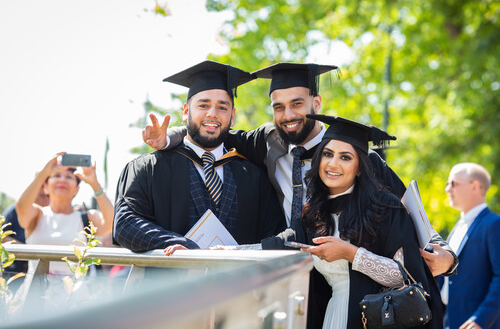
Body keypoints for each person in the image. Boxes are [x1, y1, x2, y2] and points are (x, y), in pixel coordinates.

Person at [143, 62, 457, 328]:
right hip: (293, 272)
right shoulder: (268, 142)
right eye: (278, 106)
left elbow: (409, 211)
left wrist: (447, 255)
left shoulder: (358, 156)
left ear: (316, 103)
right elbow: (211, 129)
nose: (288, 115)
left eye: (297, 104)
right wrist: (167, 137)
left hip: (361, 287)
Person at [113, 60, 286, 254]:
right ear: (186, 112)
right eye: (203, 105)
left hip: (237, 283)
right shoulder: (148, 168)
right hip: (168, 281)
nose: (212, 114)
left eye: (222, 107)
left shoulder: (254, 177)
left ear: (232, 116)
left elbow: (273, 234)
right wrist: (178, 245)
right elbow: (125, 224)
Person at [298, 114, 443, 328]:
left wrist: (351, 253)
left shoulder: (384, 207)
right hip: (334, 315)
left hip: (378, 318)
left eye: (345, 157)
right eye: (328, 154)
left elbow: (406, 277)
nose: (333, 163)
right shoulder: (315, 212)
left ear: (359, 168)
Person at [16, 153, 113, 274]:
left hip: (76, 291)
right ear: (45, 187)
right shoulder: (37, 214)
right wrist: (44, 173)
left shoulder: (87, 218)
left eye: (69, 177)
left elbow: (110, 224)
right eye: (56, 175)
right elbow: (21, 207)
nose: (62, 180)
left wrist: (95, 184)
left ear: (76, 190)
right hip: (35, 291)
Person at [440, 163, 500, 329]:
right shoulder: (456, 228)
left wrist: (481, 319)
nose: (447, 189)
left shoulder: (494, 224)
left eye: (453, 183)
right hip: (449, 321)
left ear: (475, 186)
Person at [2, 185, 50, 274]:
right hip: (13, 268)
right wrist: (27, 250)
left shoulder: (48, 216)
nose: (48, 200)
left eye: (49, 196)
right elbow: (3, 237)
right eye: (43, 196)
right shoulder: (16, 210)